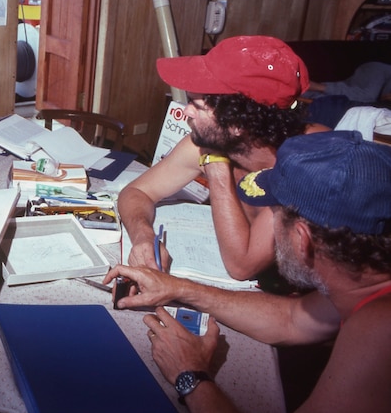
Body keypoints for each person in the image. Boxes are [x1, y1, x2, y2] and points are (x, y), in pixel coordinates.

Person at [103, 130, 391, 413]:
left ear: (302, 239)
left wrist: (191, 375)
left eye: (274, 214)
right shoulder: (362, 286)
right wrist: (178, 287)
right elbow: (291, 319)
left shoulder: (378, 328)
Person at [119, 35, 324, 281]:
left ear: (238, 123)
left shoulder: (307, 159)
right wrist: (144, 236)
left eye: (197, 104)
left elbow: (242, 266)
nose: (186, 111)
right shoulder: (218, 139)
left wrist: (216, 166)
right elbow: (136, 192)